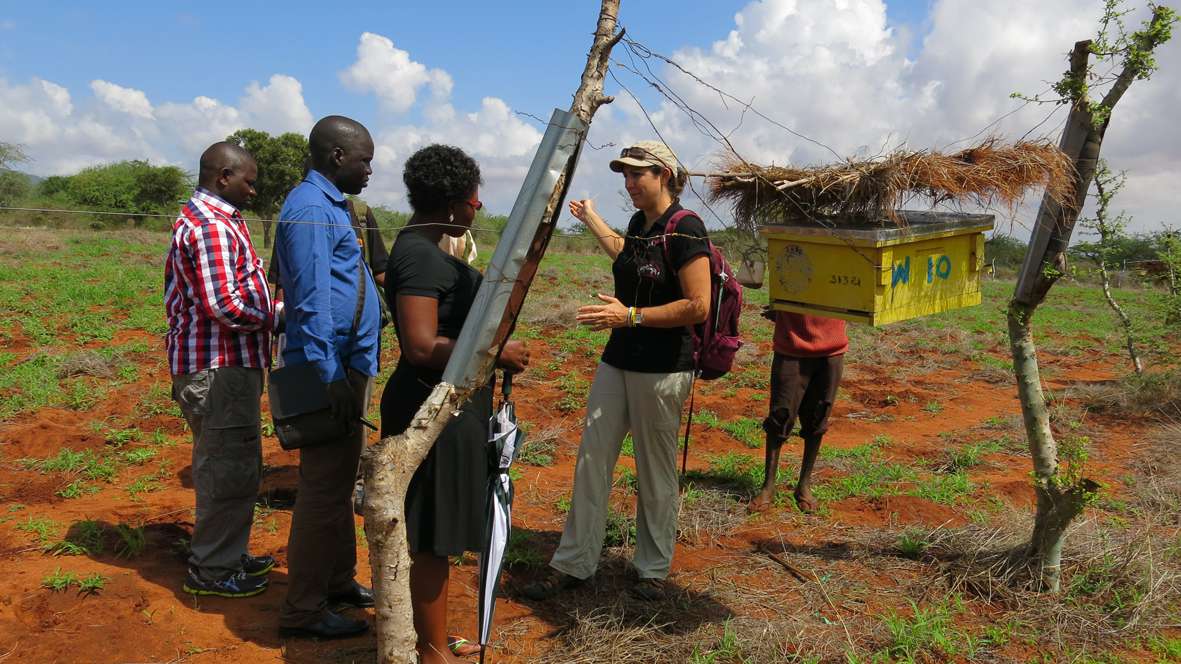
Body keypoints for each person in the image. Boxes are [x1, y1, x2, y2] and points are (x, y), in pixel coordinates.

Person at [524, 140, 711, 602]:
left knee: (654, 468)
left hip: (663, 367)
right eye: (624, 176)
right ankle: (575, 562)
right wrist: (590, 218)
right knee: (592, 460)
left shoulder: (686, 228)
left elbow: (698, 305)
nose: (628, 184)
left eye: (637, 175)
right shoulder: (640, 223)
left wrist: (629, 316)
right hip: (619, 359)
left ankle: (651, 567)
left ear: (663, 174)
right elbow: (627, 258)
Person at [381, 144, 529, 664]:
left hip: (449, 407)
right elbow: (421, 346)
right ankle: (432, 650)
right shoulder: (420, 256)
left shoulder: (429, 248)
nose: (478, 207)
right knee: (431, 533)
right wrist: (494, 352)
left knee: (439, 529)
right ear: (450, 202)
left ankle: (435, 637)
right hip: (427, 409)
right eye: (473, 197)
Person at [275, 116, 381, 639]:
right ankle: (303, 607)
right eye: (364, 160)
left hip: (345, 367)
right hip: (329, 369)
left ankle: (337, 580)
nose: (369, 170)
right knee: (321, 490)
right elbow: (311, 299)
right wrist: (329, 374)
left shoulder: (332, 204)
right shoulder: (311, 207)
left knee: (339, 484)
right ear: (337, 157)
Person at [164, 142, 280, 598]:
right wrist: (279, 315)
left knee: (233, 461)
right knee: (226, 467)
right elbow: (225, 305)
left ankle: (227, 553)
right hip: (217, 366)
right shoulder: (212, 226)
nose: (253, 191)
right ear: (224, 176)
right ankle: (211, 570)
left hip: (221, 365)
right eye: (248, 182)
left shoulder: (213, 219)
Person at [750, 311, 848, 513]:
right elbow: (756, 280)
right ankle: (768, 486)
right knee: (780, 416)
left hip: (832, 348)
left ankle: (804, 484)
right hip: (791, 345)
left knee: (818, 417)